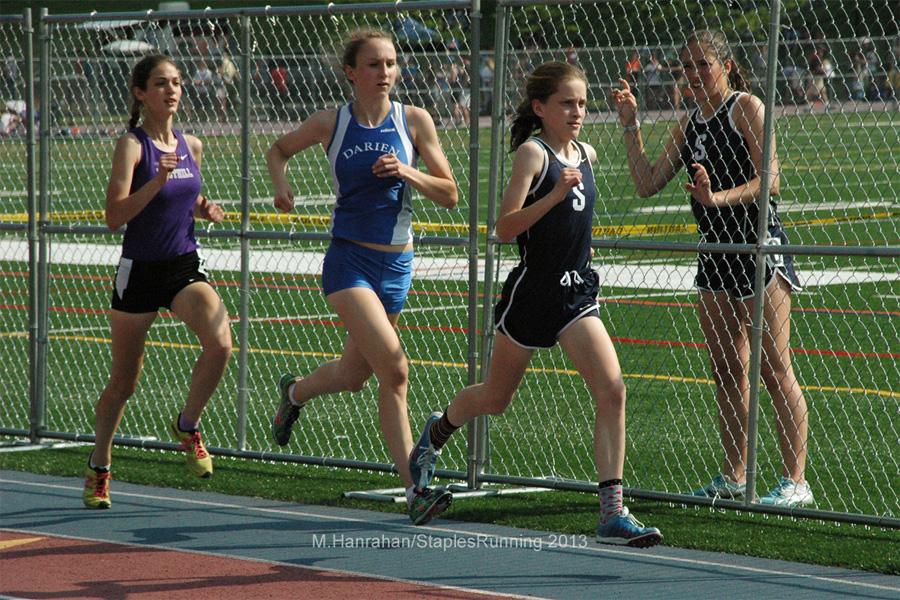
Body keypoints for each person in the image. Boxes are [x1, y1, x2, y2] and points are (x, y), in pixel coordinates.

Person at [409, 61, 662, 548]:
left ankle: (611, 511)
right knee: (495, 399)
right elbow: (503, 228)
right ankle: (435, 434)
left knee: (613, 390)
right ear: (541, 107)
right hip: (532, 295)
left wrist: (630, 124)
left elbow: (618, 194)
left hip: (575, 296)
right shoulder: (533, 154)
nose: (578, 111)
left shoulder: (585, 152)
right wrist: (554, 195)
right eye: (567, 103)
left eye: (584, 103)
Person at [611, 30, 813, 507]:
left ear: (725, 65)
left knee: (773, 364)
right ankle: (734, 474)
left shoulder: (746, 108)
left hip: (756, 245)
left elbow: (772, 180)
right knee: (726, 368)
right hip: (714, 251)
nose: (694, 75)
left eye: (703, 65)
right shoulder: (689, 124)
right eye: (687, 67)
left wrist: (714, 198)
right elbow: (646, 182)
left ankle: (795, 481)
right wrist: (630, 124)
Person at [266, 29, 458, 526]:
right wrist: (282, 187)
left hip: (397, 265)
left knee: (355, 376)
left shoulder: (414, 121)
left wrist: (407, 172)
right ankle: (416, 489)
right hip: (348, 261)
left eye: (391, 63)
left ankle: (294, 394)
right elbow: (278, 150)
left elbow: (450, 193)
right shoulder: (331, 122)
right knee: (394, 369)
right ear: (351, 72)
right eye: (374, 64)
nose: (385, 72)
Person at [83, 55, 233, 509]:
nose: (171, 90)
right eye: (160, 83)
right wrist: (158, 180)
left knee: (221, 342)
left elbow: (185, 196)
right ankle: (100, 465)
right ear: (140, 93)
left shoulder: (192, 144)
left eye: (177, 82)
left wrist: (202, 207)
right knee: (124, 384)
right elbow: (114, 216)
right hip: (140, 272)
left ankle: (187, 426)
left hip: (182, 266)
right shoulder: (133, 146)